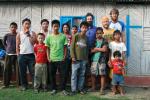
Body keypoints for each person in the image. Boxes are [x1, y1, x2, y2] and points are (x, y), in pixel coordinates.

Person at [45, 20, 68, 95]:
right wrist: (48, 57)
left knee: (63, 75)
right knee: (52, 75)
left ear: (59, 27)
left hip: (61, 59)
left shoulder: (63, 36)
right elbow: (47, 48)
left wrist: (64, 56)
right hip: (52, 59)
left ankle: (62, 89)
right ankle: (53, 89)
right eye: (54, 26)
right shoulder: (49, 37)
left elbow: (65, 47)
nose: (55, 28)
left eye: (57, 26)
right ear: (52, 27)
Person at [16, 18, 37, 91]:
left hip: (31, 55)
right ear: (23, 25)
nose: (27, 25)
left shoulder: (33, 33)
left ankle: (35, 86)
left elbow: (33, 43)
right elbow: (17, 45)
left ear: (30, 25)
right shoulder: (19, 34)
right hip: (22, 55)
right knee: (22, 72)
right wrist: (18, 55)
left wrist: (29, 35)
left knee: (33, 71)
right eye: (26, 23)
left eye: (28, 23)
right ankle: (24, 85)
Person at [70, 21, 89, 95]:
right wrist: (73, 57)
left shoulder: (86, 38)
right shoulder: (76, 36)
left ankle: (80, 89)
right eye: (83, 27)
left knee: (82, 74)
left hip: (83, 60)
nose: (84, 29)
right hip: (76, 59)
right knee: (74, 75)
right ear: (80, 28)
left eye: (86, 28)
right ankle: (73, 90)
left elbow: (87, 49)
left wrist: (86, 58)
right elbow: (72, 47)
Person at [89, 27, 108, 95]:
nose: (99, 34)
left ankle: (102, 89)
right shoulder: (93, 41)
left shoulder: (105, 41)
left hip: (102, 60)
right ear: (96, 34)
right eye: (97, 33)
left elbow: (104, 50)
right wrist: (100, 49)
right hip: (94, 60)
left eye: (100, 33)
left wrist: (96, 48)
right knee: (93, 74)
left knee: (102, 75)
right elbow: (91, 51)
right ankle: (93, 88)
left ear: (102, 33)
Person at [2, 22, 18, 88]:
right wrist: (6, 48)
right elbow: (3, 42)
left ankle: (19, 84)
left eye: (14, 27)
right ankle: (6, 84)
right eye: (12, 27)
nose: (13, 28)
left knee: (17, 70)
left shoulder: (18, 35)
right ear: (10, 28)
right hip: (8, 54)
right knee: (7, 70)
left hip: (16, 55)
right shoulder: (7, 35)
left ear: (16, 28)